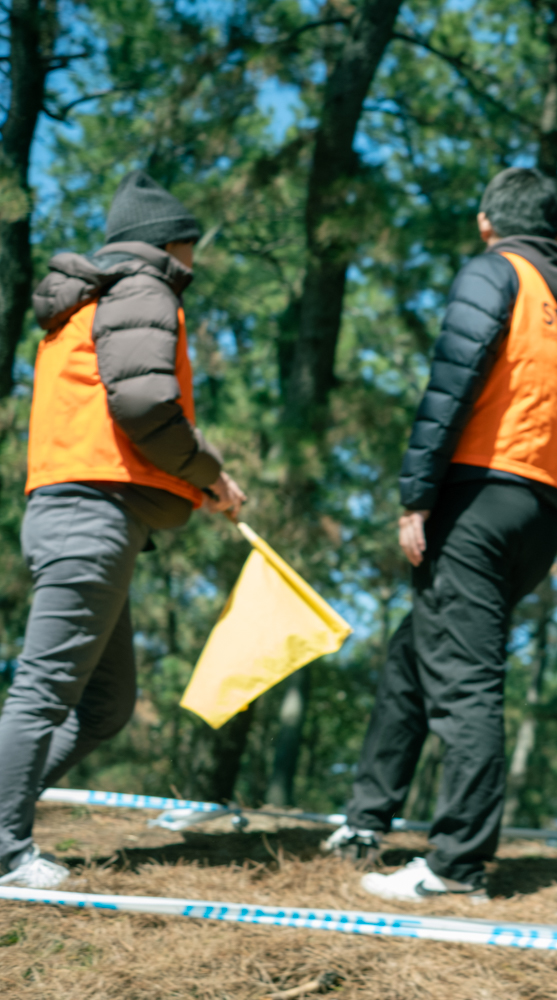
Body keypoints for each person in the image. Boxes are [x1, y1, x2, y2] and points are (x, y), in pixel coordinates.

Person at [324, 167, 557, 901]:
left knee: (466, 684)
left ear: (487, 222)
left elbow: (451, 383)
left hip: (476, 501)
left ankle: (457, 865)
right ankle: (365, 819)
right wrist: (551, 512)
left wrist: (417, 498)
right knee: (413, 658)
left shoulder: (495, 273)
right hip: (538, 510)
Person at [0, 171, 246, 889]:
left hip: (86, 512)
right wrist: (207, 472)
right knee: (44, 691)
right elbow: (142, 404)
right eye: (190, 245)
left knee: (106, 705)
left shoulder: (98, 298)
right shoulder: (143, 288)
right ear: (169, 244)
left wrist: (194, 478)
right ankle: (5, 850)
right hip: (90, 515)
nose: (194, 260)